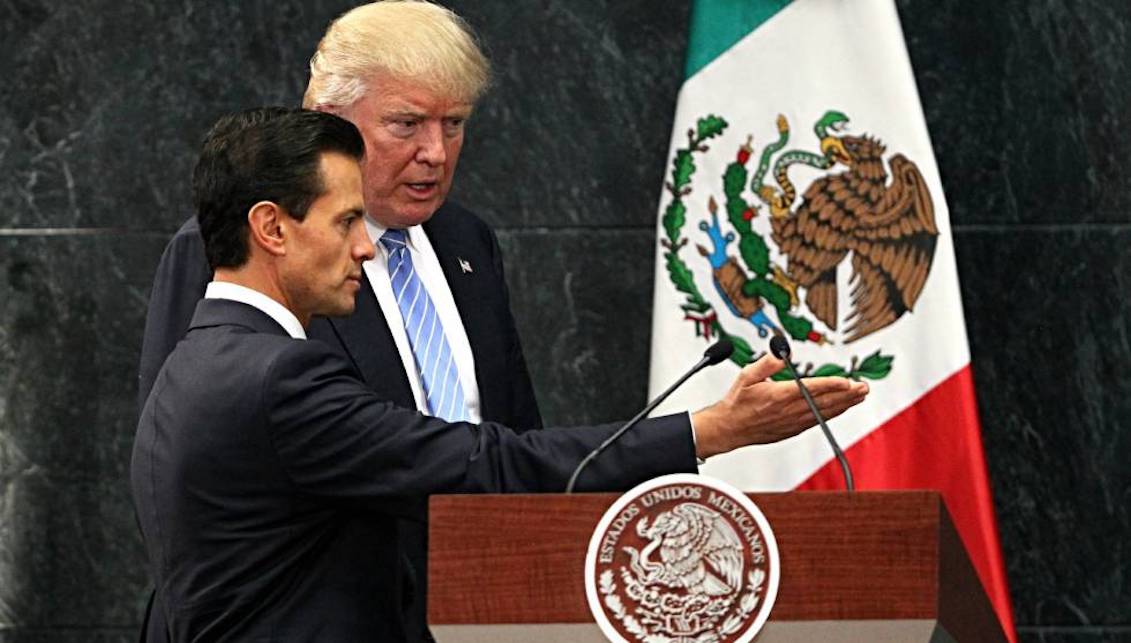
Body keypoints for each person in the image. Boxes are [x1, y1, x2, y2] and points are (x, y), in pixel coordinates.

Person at [132, 106, 867, 642]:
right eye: (345, 221)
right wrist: (707, 430)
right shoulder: (279, 377)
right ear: (271, 227)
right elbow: (482, 462)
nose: (365, 247)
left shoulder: (196, 360)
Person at [136, 4, 537, 639]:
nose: (435, 152)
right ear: (330, 121)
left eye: (454, 123)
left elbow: (512, 430)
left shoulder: (469, 241)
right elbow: (188, 471)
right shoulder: (233, 250)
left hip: (480, 610)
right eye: (406, 124)